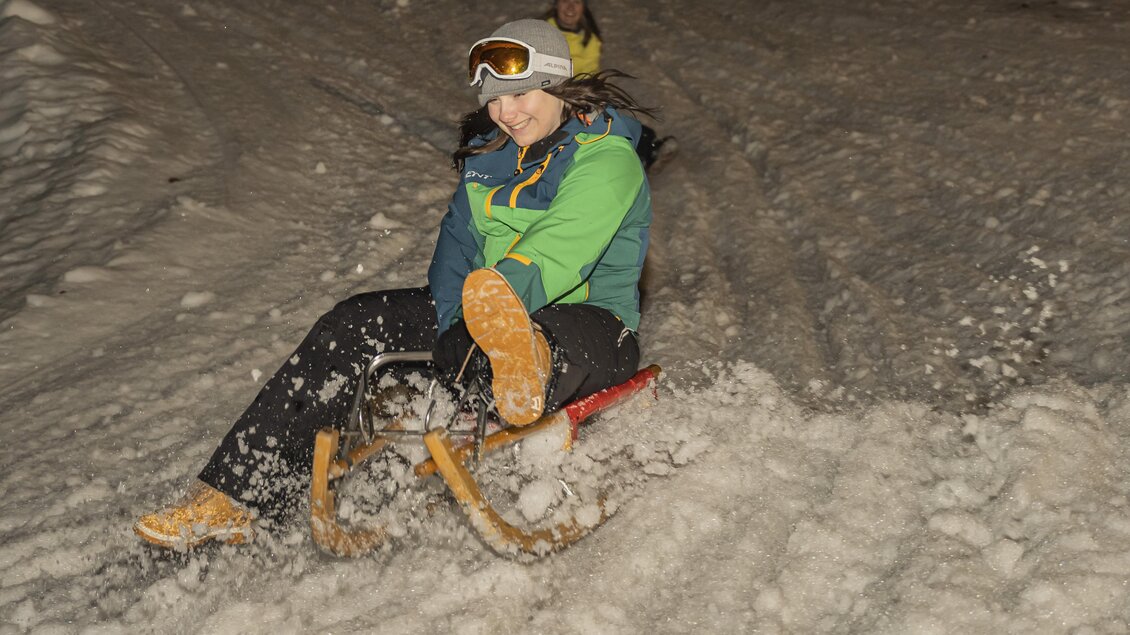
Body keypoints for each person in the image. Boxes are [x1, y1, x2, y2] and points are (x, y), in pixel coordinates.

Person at [133, 18, 655, 550]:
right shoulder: (490, 156)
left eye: (520, 92)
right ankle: (235, 495)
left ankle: (523, 366)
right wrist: (458, 321)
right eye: (494, 98)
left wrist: (486, 319)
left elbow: (558, 251)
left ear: (558, 85)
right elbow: (456, 250)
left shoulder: (607, 158)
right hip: (483, 309)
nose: (506, 112)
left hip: (592, 326)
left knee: (535, 334)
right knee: (353, 325)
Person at [544, 0, 674, 172]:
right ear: (556, 5)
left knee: (612, 119)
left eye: (576, 2)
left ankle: (646, 149)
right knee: (599, 126)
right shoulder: (544, 34)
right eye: (565, 1)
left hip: (579, 95)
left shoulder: (589, 38)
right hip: (553, 99)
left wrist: (592, 93)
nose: (570, 7)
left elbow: (590, 71)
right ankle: (639, 155)